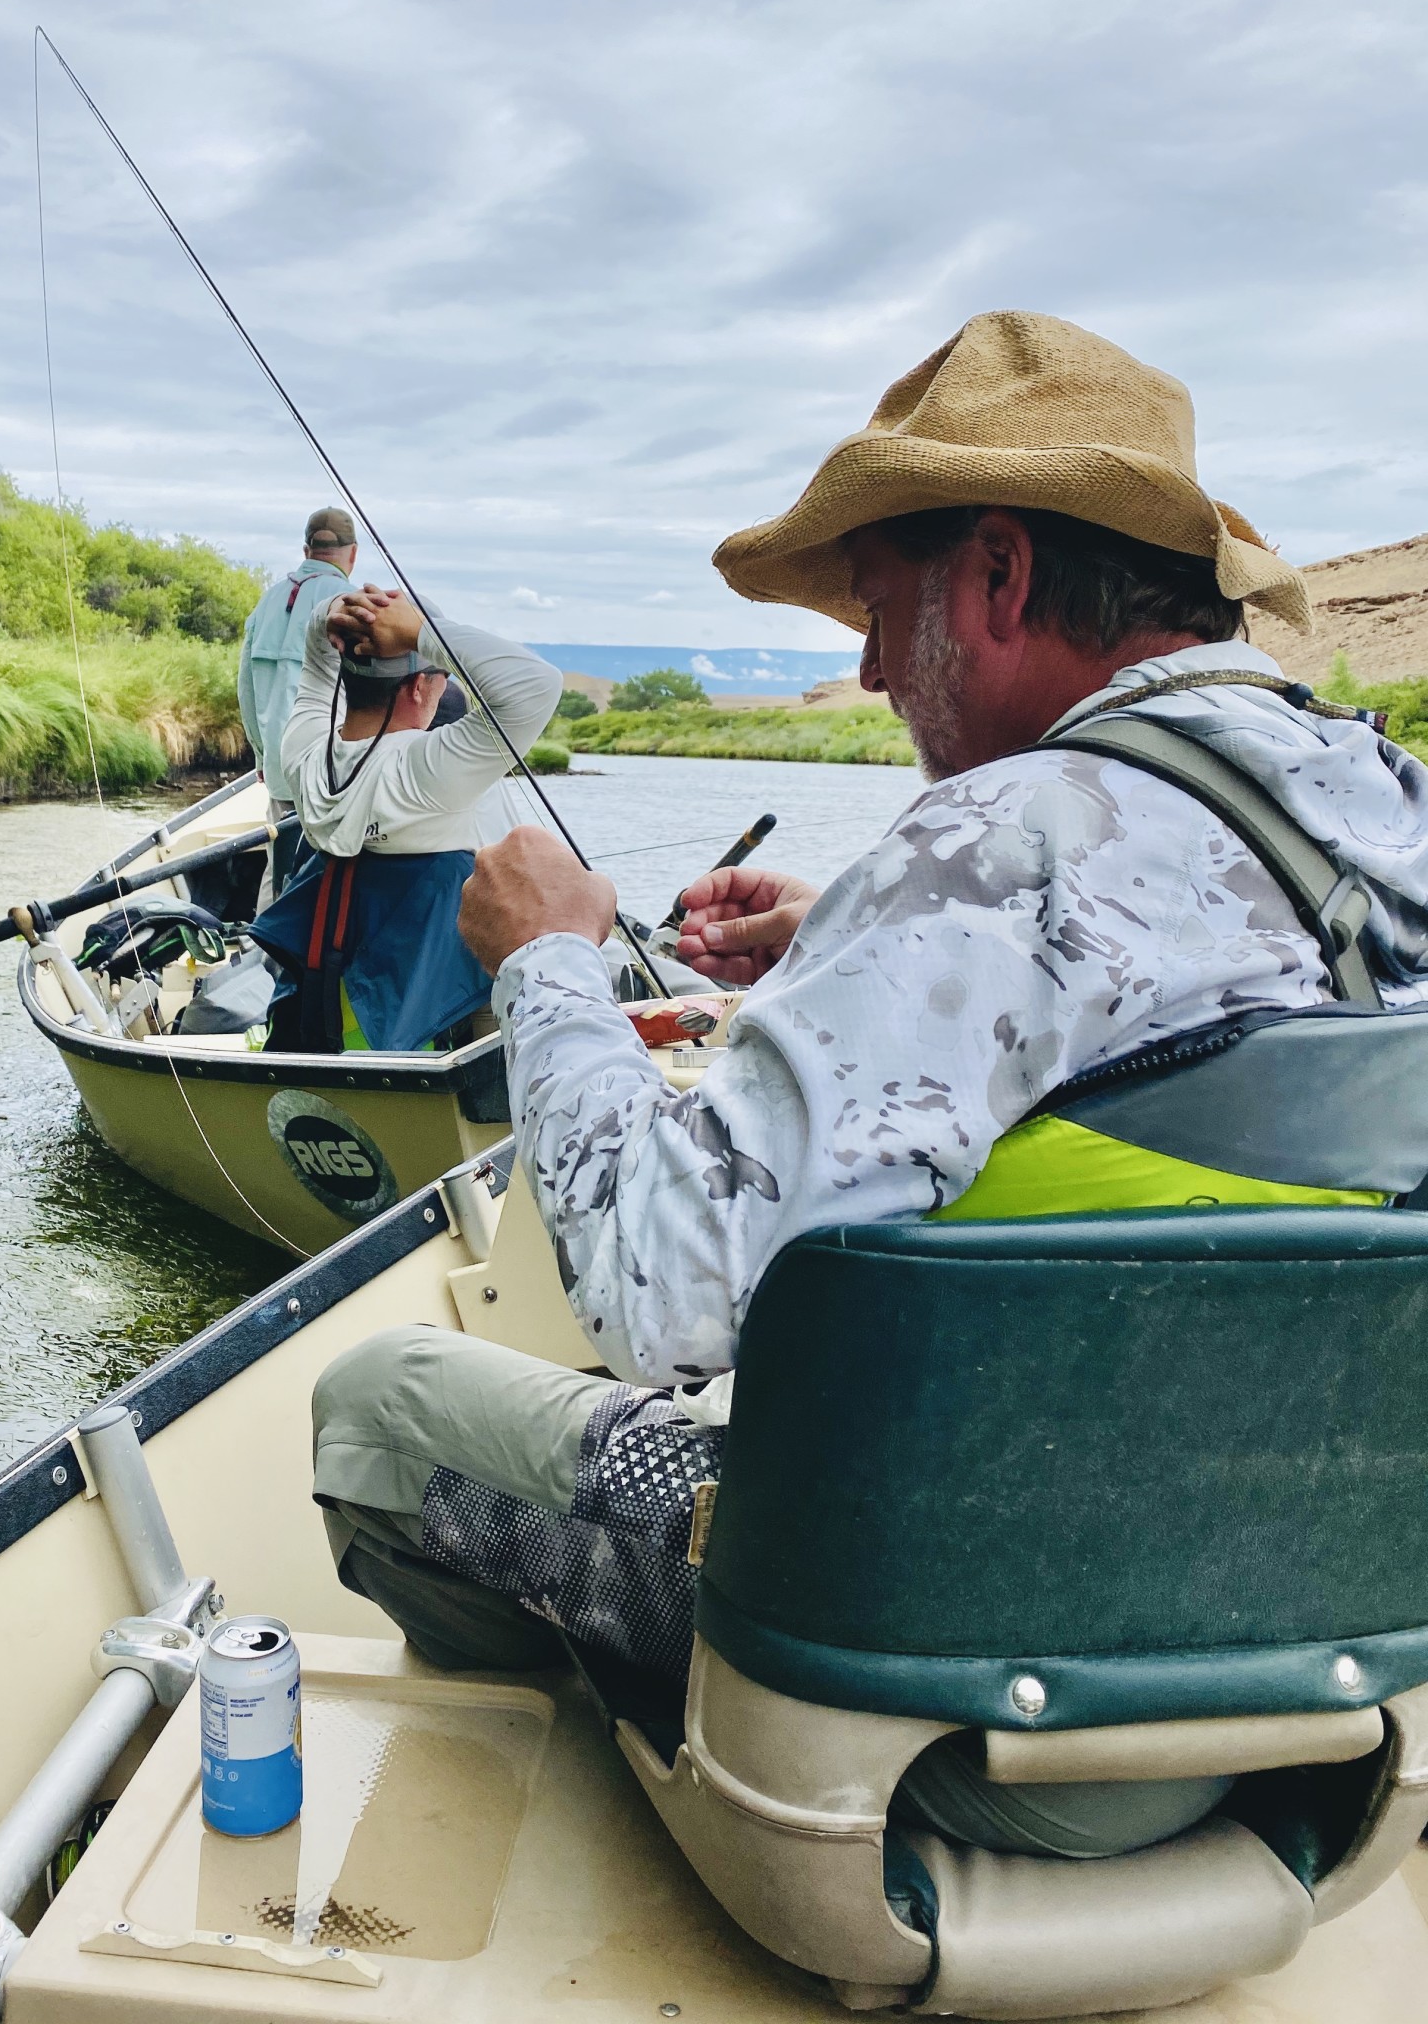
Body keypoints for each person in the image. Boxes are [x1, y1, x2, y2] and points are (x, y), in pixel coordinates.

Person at [308, 309, 1428, 1859]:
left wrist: (548, 964)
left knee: (375, 1409)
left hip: (959, 1722)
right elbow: (1168, 1031)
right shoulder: (1382, 805)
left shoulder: (1005, 837)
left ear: (999, 575)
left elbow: (658, 1287)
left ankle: (614, 1788)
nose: (865, 665)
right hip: (1314, 1679)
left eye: (877, 605)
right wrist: (844, 942)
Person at [250, 583, 560, 1052]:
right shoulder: (425, 773)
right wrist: (418, 632)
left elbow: (315, 666)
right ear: (419, 686)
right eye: (442, 678)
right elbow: (537, 683)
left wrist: (334, 614)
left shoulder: (304, 757)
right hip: (437, 1014)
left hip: (339, 1003)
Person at [236, 506, 358, 900]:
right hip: (332, 767)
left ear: (306, 549)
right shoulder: (351, 602)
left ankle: (265, 950)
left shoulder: (267, 602)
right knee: (329, 866)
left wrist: (261, 756)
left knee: (280, 860)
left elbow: (246, 691)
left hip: (278, 763)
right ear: (352, 553)